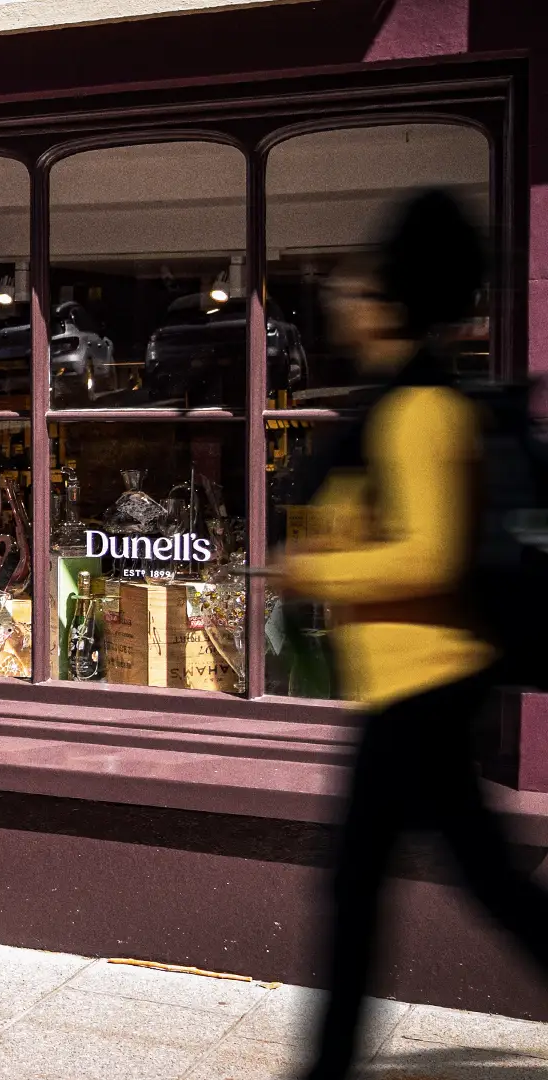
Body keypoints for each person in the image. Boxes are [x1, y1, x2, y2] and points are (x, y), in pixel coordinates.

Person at [281, 189, 548, 1080]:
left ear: (392, 304)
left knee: (366, 891)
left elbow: (430, 554)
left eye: (358, 287)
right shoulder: (393, 404)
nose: (342, 299)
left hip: (424, 684)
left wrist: (315, 571)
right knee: (476, 882)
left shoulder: (419, 411)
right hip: (416, 685)